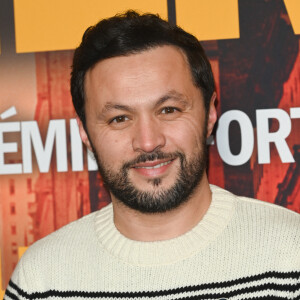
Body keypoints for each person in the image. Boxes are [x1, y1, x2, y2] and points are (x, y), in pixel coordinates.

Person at [5, 10, 299, 300]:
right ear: (85, 134)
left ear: (210, 113)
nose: (148, 142)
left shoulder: (291, 254)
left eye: (168, 110)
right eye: (119, 118)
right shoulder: (40, 281)